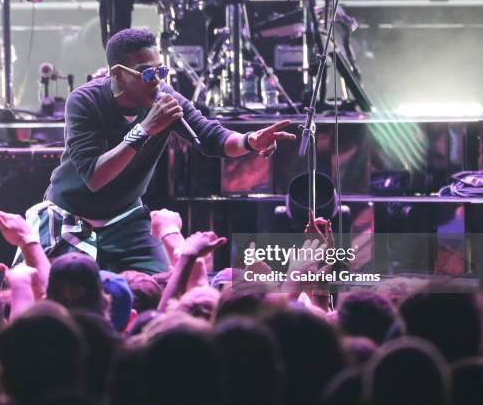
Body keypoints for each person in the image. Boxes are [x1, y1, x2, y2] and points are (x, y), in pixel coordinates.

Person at [19, 28, 296, 275]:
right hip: (72, 215)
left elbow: (212, 137)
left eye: (161, 71)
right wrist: (145, 129)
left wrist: (250, 140)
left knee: (164, 284)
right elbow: (95, 178)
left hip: (125, 218)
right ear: (118, 74)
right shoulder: (85, 101)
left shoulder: (165, 98)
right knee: (56, 289)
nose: (157, 81)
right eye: (148, 73)